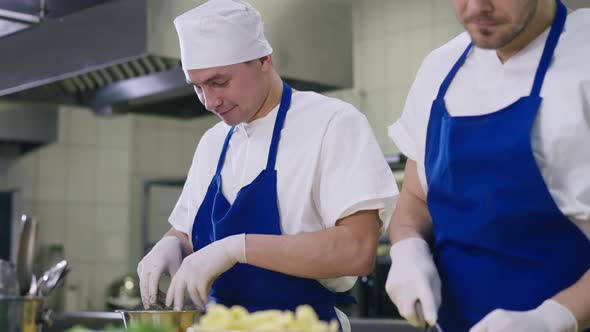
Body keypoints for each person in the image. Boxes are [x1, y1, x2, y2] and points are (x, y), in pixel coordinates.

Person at [136, 0, 398, 330]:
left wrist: (237, 248)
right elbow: (187, 230)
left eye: (219, 82)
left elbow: (356, 250)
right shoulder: (214, 142)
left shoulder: (332, 124)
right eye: (197, 86)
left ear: (264, 60)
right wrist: (172, 243)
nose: (209, 101)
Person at [385, 0, 590, 331]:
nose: (476, 6)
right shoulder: (440, 68)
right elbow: (415, 198)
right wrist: (408, 248)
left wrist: (556, 318)